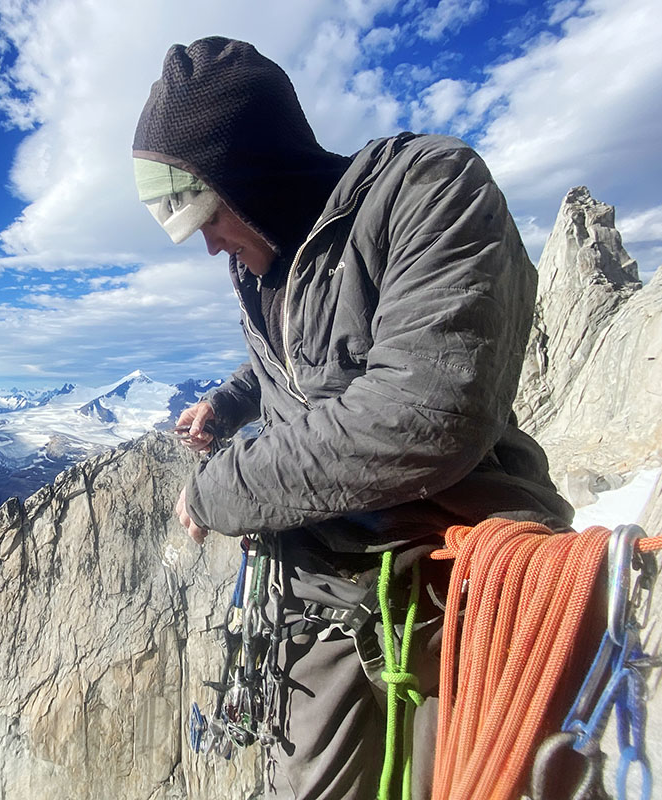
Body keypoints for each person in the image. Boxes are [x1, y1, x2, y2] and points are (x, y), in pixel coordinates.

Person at [132, 37, 573, 800]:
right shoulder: (261, 260)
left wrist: (218, 490)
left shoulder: (430, 189)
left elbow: (424, 413)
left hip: (448, 579)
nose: (207, 246)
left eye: (207, 214)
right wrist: (229, 404)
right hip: (317, 591)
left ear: (254, 171)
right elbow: (298, 361)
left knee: (471, 783)